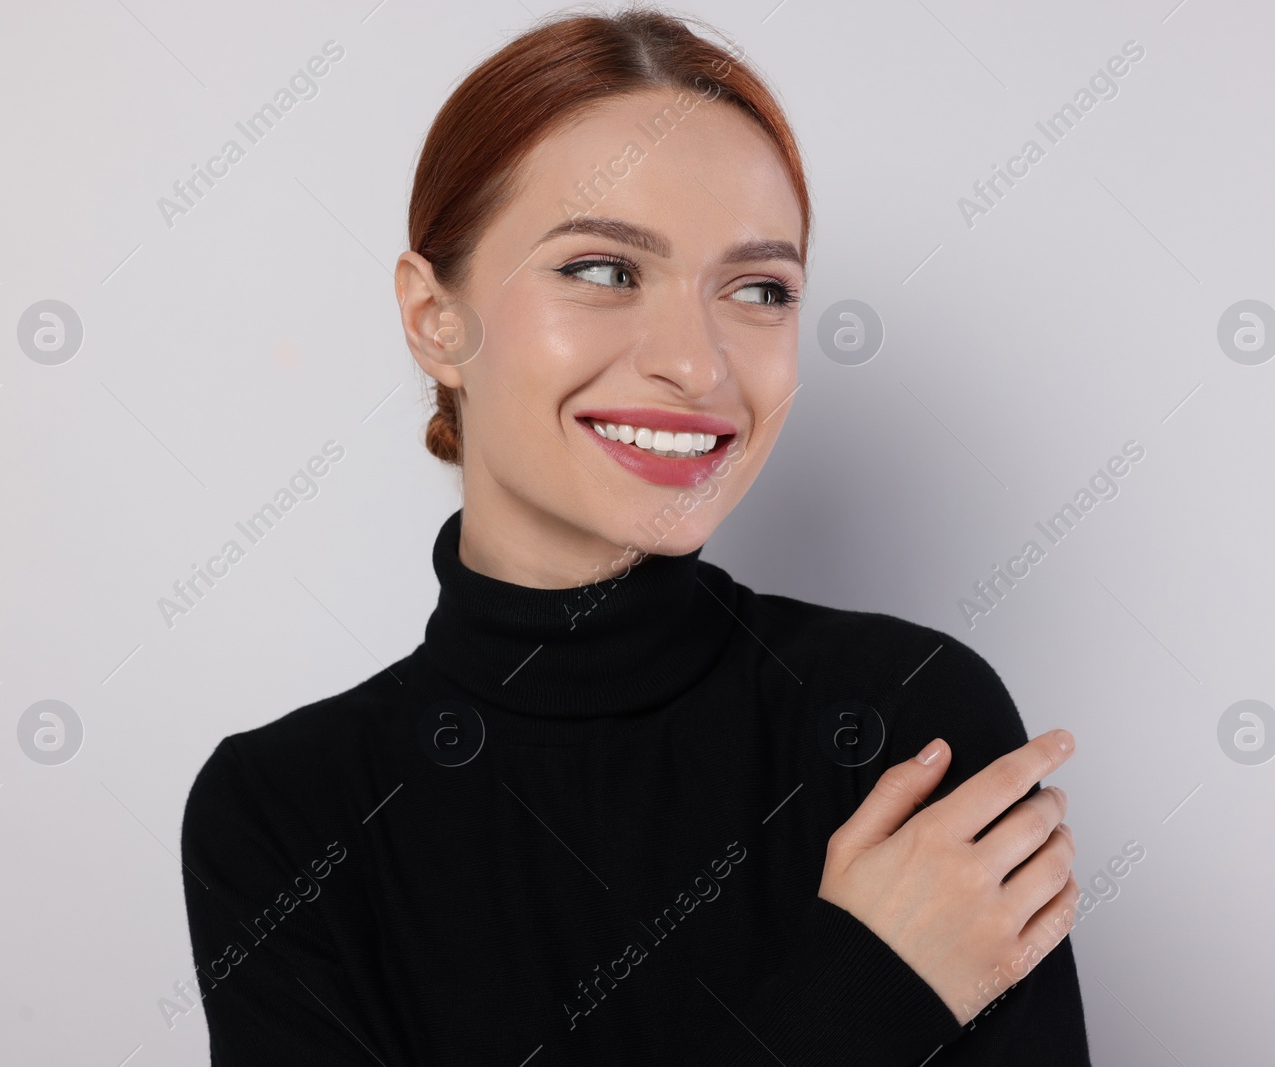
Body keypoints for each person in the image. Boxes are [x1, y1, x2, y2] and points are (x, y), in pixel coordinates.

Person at [180, 6, 1091, 1064]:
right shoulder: (288, 811)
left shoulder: (902, 723)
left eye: (759, 289)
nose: (698, 366)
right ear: (438, 319)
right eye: (606, 270)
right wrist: (863, 992)